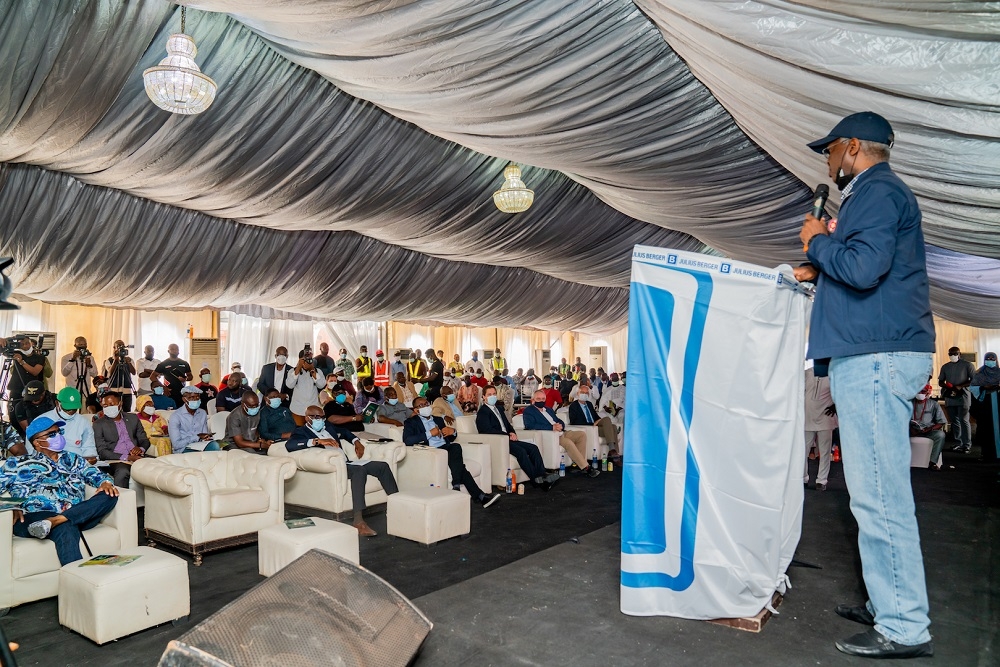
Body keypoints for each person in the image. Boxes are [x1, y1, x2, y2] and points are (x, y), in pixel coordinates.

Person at [792, 112, 935, 658]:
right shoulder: (877, 196)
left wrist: (815, 245)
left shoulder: (876, 192)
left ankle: (903, 625)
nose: (827, 161)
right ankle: (888, 599)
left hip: (876, 357)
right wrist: (822, 266)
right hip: (874, 352)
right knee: (873, 492)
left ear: (852, 148)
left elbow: (865, 268)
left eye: (830, 151)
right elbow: (865, 267)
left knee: (879, 497)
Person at [1, 416, 119, 565]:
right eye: (51, 434)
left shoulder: (73, 459)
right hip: (34, 517)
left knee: (111, 495)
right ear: (37, 442)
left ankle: (56, 521)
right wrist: (12, 504)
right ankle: (79, 582)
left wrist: (106, 482)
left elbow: (95, 475)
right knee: (66, 527)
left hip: (78, 513)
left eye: (59, 431)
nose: (58, 436)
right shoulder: (17, 464)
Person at [287, 405, 399, 536]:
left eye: (322, 417)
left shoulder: (328, 426)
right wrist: (317, 441)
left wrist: (356, 442)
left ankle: (397, 507)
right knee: (359, 471)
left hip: (348, 462)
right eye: (317, 417)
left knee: (382, 466)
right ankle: (358, 521)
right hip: (335, 466)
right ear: (307, 418)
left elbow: (345, 432)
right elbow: (290, 445)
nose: (321, 420)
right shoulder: (300, 432)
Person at [405, 397, 500, 507]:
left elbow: (449, 438)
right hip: (431, 452)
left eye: (426, 403)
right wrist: (429, 433)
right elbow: (407, 440)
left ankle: (458, 486)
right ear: (416, 410)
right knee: (459, 462)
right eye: (422, 405)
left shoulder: (438, 420)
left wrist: (453, 432)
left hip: (445, 448)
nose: (426, 406)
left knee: (455, 448)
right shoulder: (411, 422)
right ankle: (479, 496)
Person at [476, 385, 558, 490]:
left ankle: (542, 475)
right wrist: (507, 435)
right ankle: (536, 480)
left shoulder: (499, 409)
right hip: (499, 441)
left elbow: (507, 425)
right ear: (484, 397)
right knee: (521, 452)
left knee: (533, 448)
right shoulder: (483, 412)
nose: (492, 396)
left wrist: (512, 432)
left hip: (508, 439)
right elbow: (486, 430)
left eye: (494, 394)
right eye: (489, 395)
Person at [523, 390, 598, 477]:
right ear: (533, 400)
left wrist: (560, 425)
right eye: (538, 399)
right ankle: (586, 467)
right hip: (551, 435)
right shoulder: (529, 411)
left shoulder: (548, 409)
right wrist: (552, 427)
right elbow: (530, 425)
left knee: (581, 434)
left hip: (561, 432)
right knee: (568, 443)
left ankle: (579, 465)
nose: (541, 401)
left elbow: (558, 420)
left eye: (543, 399)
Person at [93, 392, 150, 488]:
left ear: (120, 403)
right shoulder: (99, 424)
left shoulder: (132, 418)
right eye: (105, 405)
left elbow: (144, 440)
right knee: (123, 471)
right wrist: (127, 457)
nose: (108, 408)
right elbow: (102, 452)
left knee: (160, 464)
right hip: (115, 460)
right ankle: (122, 501)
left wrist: (140, 449)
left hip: (138, 457)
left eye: (112, 405)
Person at [31, 388, 98, 463]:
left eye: (74, 409)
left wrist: (88, 460)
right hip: (50, 464)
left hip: (78, 465)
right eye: (67, 409)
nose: (71, 412)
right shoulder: (41, 421)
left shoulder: (83, 422)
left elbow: (89, 448)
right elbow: (33, 452)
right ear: (57, 403)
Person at [804, 365, 837, 490]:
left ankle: (822, 481)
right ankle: (803, 478)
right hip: (807, 418)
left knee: (825, 451)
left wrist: (835, 405)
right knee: (803, 451)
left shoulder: (833, 374)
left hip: (825, 418)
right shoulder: (807, 374)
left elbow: (840, 392)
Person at [938, 346, 976, 454]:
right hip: (950, 396)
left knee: (964, 420)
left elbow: (974, 380)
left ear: (959, 354)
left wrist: (961, 386)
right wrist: (947, 386)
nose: (952, 356)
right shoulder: (945, 367)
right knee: (954, 421)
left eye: (955, 354)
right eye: (950, 354)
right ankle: (958, 443)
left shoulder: (968, 365)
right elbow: (940, 381)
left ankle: (966, 445)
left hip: (963, 396)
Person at [569, 384, 619, 460]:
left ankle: (614, 453)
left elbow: (596, 417)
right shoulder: (573, 406)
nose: (584, 394)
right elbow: (574, 422)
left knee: (613, 426)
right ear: (578, 393)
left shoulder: (589, 404)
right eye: (582, 392)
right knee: (607, 421)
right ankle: (613, 452)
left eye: (586, 393)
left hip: (595, 427)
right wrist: (592, 424)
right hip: (587, 428)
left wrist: (597, 422)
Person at [6, 335, 45, 431]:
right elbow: (3, 348)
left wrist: (22, 362)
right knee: (14, 415)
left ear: (31, 343)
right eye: (22, 344)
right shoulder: (16, 354)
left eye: (27, 343)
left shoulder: (39, 357)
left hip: (32, 391)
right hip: (16, 389)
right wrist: (8, 340)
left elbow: (35, 371)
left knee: (30, 415)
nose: (25, 346)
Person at [167, 386, 222, 453]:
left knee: (215, 446)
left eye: (197, 397)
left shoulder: (202, 413)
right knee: (198, 454)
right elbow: (176, 444)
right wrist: (197, 437)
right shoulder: (176, 416)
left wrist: (207, 437)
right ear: (184, 399)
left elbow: (204, 434)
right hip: (184, 448)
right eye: (191, 398)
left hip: (200, 445)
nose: (195, 400)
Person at [971, 352, 1000, 462]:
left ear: (996, 360)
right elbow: (973, 388)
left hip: (998, 401)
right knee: (985, 429)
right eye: (988, 358)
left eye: (993, 358)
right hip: (985, 403)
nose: (990, 360)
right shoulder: (979, 373)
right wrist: (984, 387)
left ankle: (998, 454)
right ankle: (985, 454)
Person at [910, 384, 947, 470]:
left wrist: (929, 429)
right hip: (911, 430)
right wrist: (910, 429)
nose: (920, 393)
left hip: (928, 431)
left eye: (923, 392)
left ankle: (933, 462)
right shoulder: (909, 403)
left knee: (940, 435)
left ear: (927, 393)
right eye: (918, 391)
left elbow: (941, 422)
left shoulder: (934, 404)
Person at [286, 355, 326, 425]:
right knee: (298, 431)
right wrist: (298, 368)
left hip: (313, 409)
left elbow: (321, 385)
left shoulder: (317, 371)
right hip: (297, 409)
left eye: (309, 360)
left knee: (313, 431)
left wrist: (312, 370)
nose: (306, 362)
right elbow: (289, 385)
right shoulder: (292, 371)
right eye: (304, 360)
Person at [153, 344, 193, 409]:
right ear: (168, 351)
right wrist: (163, 387)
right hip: (169, 392)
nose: (174, 351)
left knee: (182, 412)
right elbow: (152, 377)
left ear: (179, 351)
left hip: (182, 392)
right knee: (169, 412)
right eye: (172, 349)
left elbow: (190, 376)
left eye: (176, 349)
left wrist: (185, 379)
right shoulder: (163, 364)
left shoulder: (184, 363)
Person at [102, 341, 136, 413]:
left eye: (123, 346)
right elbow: (110, 373)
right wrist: (115, 360)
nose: (121, 348)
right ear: (114, 348)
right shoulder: (109, 360)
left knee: (127, 412)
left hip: (127, 390)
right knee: (114, 411)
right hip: (113, 390)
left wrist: (129, 363)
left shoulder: (129, 359)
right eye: (119, 346)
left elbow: (134, 372)